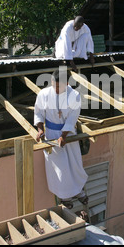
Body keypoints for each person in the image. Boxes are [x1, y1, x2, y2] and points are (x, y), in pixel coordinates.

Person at [34, 68, 88, 209]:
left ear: (67, 83)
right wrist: (40, 129)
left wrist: (63, 136)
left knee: (74, 164)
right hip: (51, 134)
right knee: (59, 169)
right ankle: (65, 196)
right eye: (54, 85)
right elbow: (38, 112)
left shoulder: (74, 95)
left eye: (59, 86)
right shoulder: (44, 94)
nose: (56, 89)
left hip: (68, 134)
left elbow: (72, 118)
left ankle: (79, 191)